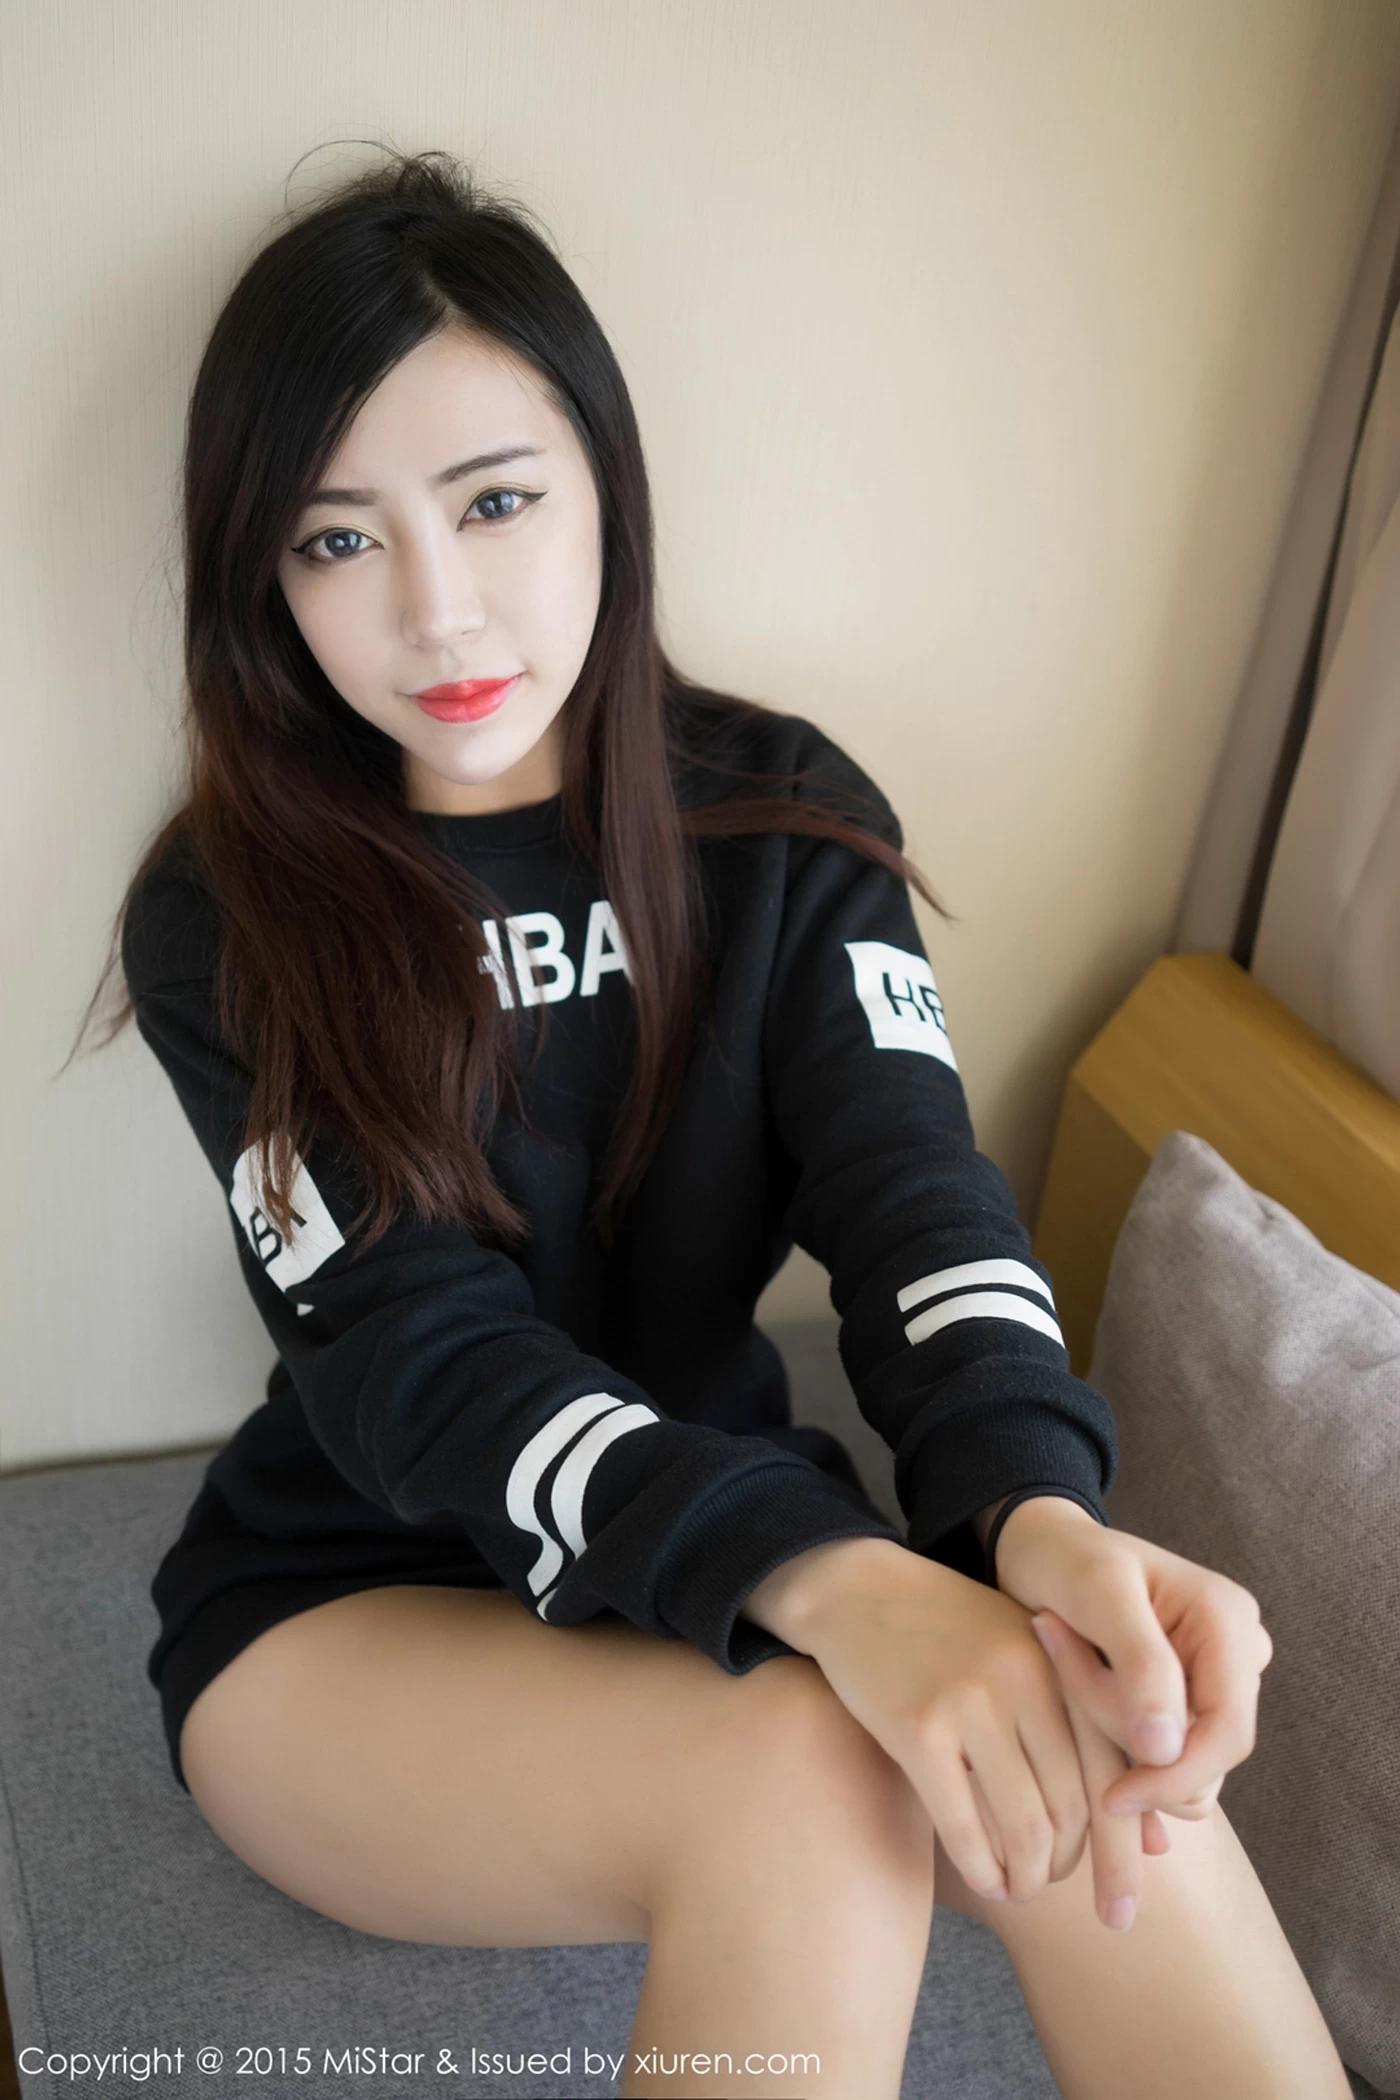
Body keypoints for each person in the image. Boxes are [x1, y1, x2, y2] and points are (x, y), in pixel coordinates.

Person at [82, 147, 1352, 2099]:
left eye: (494, 501)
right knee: (812, 1758)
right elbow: (422, 1362)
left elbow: (922, 1208)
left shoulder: (780, 824)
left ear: (608, 485)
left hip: (722, 1542)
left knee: (1095, 1720)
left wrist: (1036, 1519)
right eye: (337, 540)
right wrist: (841, 1581)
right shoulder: (228, 913)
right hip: (352, 1604)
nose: (437, 611)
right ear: (267, 578)